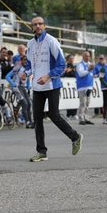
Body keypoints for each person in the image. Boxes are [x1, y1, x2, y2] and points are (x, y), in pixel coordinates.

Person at [20, 16, 83, 162]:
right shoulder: (30, 44)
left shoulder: (51, 41)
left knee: (54, 115)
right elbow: (30, 65)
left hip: (52, 85)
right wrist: (26, 73)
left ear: (45, 25)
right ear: (32, 27)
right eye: (35, 24)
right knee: (37, 119)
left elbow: (62, 65)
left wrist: (48, 76)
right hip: (37, 87)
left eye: (40, 24)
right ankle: (41, 151)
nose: (38, 26)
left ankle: (75, 137)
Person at [5, 55, 34, 128]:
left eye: (27, 60)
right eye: (24, 60)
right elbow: (7, 76)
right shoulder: (18, 67)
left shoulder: (28, 68)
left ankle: (30, 121)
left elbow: (27, 78)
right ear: (21, 60)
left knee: (29, 104)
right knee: (25, 103)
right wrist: (13, 84)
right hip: (17, 87)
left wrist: (28, 86)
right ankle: (27, 122)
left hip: (23, 87)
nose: (25, 61)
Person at [75, 51, 95, 125]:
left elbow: (91, 76)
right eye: (86, 56)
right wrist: (88, 70)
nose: (88, 57)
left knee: (87, 103)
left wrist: (93, 86)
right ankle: (81, 118)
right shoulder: (80, 65)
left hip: (89, 86)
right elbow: (81, 74)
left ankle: (86, 118)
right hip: (82, 86)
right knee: (82, 103)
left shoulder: (89, 64)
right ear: (83, 57)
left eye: (89, 56)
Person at [62, 54, 78, 120]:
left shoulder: (74, 66)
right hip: (68, 85)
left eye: (72, 58)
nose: (72, 59)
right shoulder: (66, 66)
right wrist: (66, 72)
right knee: (69, 99)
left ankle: (74, 113)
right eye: (70, 58)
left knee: (75, 99)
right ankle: (69, 114)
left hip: (74, 85)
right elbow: (63, 75)